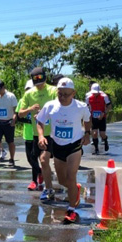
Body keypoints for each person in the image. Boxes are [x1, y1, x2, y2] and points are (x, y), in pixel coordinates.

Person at [36, 77, 91, 223]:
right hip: (58, 145)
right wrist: (41, 136)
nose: (63, 97)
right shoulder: (50, 106)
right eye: (60, 94)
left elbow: (87, 119)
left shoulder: (80, 107)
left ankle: (71, 209)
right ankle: (75, 189)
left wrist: (87, 133)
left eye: (66, 94)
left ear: (73, 93)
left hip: (74, 145)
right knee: (62, 180)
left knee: (71, 176)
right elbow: (39, 121)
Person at [18, 67, 57, 201]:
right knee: (43, 160)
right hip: (37, 134)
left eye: (41, 78)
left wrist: (44, 115)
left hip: (53, 133)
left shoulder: (53, 90)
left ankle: (67, 185)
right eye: (36, 79)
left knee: (55, 163)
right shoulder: (29, 94)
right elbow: (20, 113)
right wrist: (30, 109)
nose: (39, 82)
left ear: (45, 77)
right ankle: (49, 188)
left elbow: (60, 107)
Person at [17, 80, 43, 191]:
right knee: (30, 159)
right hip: (27, 133)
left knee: (36, 157)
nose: (28, 92)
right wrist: (29, 109)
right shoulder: (22, 101)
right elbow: (19, 115)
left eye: (30, 89)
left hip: (38, 134)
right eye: (27, 90)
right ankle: (40, 172)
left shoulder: (40, 100)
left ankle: (34, 181)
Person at [0, 80, 18, 167]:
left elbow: (15, 110)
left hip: (8, 122)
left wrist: (14, 120)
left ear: (3, 88)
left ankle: (12, 159)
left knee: (10, 142)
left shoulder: (11, 96)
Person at [84, 83, 111, 155]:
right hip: (93, 117)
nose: (95, 94)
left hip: (102, 117)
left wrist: (103, 113)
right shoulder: (88, 96)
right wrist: (87, 116)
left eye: (96, 93)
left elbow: (109, 106)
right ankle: (96, 149)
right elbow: (86, 107)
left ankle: (105, 140)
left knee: (102, 134)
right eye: (93, 93)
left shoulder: (104, 96)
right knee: (94, 133)